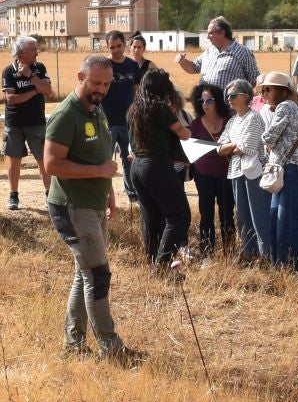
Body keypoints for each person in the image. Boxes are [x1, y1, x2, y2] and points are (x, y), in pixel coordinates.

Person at [44, 56, 136, 360]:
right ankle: (111, 347)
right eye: (96, 82)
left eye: (107, 84)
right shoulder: (65, 115)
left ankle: (73, 346)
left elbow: (103, 160)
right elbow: (52, 164)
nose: (102, 89)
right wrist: (99, 172)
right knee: (97, 275)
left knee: (85, 274)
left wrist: (109, 195)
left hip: (94, 205)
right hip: (72, 206)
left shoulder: (97, 111)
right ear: (80, 75)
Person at [127, 67, 194, 267]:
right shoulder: (159, 108)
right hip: (157, 165)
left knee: (151, 218)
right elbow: (184, 134)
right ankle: (163, 263)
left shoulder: (134, 109)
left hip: (137, 166)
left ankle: (152, 262)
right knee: (179, 215)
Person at [258, 71, 298, 271]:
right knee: (279, 217)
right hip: (286, 169)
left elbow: (269, 137)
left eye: (268, 89)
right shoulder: (287, 107)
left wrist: (258, 140)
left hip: (289, 169)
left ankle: (292, 267)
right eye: (262, 89)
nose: (264, 93)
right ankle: (285, 265)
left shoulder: (285, 106)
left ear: (282, 91)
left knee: (285, 219)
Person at [217, 78, 270, 263]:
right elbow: (219, 148)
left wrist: (229, 148)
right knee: (242, 218)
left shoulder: (253, 118)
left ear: (246, 96)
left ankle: (266, 256)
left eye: (233, 95)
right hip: (236, 172)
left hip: (254, 174)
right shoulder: (232, 122)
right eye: (227, 96)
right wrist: (232, 147)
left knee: (259, 217)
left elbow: (246, 148)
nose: (229, 98)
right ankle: (249, 254)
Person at [0, 36, 54, 210]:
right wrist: (34, 91)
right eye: (33, 50)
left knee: (43, 159)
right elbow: (12, 99)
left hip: (36, 122)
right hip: (14, 123)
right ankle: (13, 195)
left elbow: (48, 91)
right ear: (21, 52)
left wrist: (31, 76)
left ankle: (50, 195)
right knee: (14, 159)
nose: (37, 52)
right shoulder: (8, 72)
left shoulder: (40, 68)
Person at [188, 83, 235, 256]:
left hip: (226, 175)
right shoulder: (195, 125)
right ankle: (207, 254)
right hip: (203, 175)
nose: (205, 104)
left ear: (218, 101)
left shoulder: (230, 121)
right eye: (202, 100)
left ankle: (229, 253)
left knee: (227, 215)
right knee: (206, 215)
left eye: (210, 100)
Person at [100, 30, 145, 202]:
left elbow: (136, 92)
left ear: (124, 45)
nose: (116, 50)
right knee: (105, 160)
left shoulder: (133, 66)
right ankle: (104, 195)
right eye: (112, 47)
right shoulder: (104, 66)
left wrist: (137, 115)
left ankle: (132, 193)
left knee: (129, 160)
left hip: (128, 122)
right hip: (107, 122)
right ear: (107, 47)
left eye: (119, 46)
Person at [176, 16, 259, 101]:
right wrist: (183, 62)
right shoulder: (209, 52)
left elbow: (254, 80)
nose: (208, 37)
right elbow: (194, 68)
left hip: (229, 108)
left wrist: (236, 96)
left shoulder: (243, 52)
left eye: (210, 33)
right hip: (206, 105)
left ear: (222, 33)